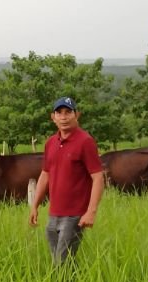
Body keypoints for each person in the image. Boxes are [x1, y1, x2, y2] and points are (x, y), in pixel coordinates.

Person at [28, 97, 104, 264]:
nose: (63, 117)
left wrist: (91, 211)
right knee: (62, 261)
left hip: (75, 214)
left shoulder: (85, 141)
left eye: (68, 112)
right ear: (53, 117)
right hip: (54, 213)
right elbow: (45, 174)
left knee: (61, 263)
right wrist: (35, 205)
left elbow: (98, 177)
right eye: (59, 113)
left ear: (77, 115)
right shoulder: (50, 143)